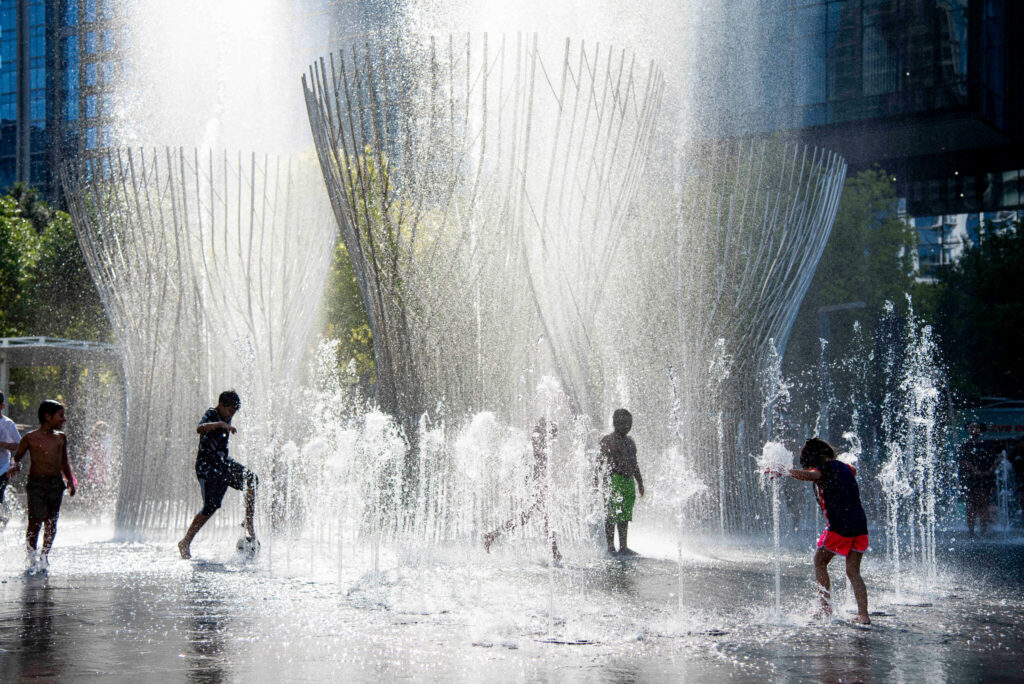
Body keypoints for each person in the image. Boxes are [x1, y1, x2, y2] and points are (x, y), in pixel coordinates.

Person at [772, 438, 870, 624]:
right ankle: (863, 615)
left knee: (819, 561)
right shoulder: (846, 467)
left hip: (841, 526)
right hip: (860, 526)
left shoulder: (823, 469)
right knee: (853, 571)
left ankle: (825, 609)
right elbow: (853, 471)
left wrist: (785, 471)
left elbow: (812, 475)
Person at [177, 390, 259, 559]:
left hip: (223, 463)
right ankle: (185, 542)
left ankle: (248, 520)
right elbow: (200, 428)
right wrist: (220, 425)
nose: (231, 415)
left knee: (251, 479)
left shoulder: (226, 414)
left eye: (234, 412)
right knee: (211, 506)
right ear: (221, 405)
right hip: (207, 467)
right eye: (230, 411)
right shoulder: (212, 413)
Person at [8, 400, 77, 570]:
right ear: (48, 416)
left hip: (55, 485)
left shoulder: (61, 438)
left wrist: (70, 480)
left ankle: (45, 555)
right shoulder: (30, 438)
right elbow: (16, 458)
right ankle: (31, 556)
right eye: (60, 415)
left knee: (52, 522)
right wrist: (15, 465)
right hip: (36, 484)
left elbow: (64, 462)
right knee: (35, 521)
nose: (64, 419)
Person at [482, 418, 561, 562]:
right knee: (544, 518)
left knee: (526, 518)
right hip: (536, 486)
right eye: (553, 432)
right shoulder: (537, 442)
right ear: (545, 429)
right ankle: (554, 551)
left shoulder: (539, 442)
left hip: (537, 485)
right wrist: (539, 485)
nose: (555, 436)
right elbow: (535, 466)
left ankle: (492, 535)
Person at [597, 408, 644, 555]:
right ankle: (611, 546)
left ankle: (623, 546)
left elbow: (634, 464)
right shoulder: (608, 440)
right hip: (613, 480)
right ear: (615, 423)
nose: (627, 426)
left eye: (629, 423)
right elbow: (599, 462)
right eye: (623, 423)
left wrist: (640, 482)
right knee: (612, 513)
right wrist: (595, 479)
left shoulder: (630, 442)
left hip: (628, 481)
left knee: (624, 515)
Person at [958, 421, 996, 538]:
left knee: (983, 504)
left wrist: (989, 471)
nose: (974, 429)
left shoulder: (986, 445)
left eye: (976, 427)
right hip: (970, 478)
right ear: (968, 430)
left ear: (980, 430)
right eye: (971, 427)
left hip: (984, 478)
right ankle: (971, 531)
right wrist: (974, 470)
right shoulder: (964, 445)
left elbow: (994, 460)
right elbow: (962, 461)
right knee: (970, 504)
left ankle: (983, 530)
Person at [0, 390, 22, 529]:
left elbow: (20, 445)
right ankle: (2, 519)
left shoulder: (8, 424)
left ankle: (3, 519)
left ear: (2, 406)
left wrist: (3, 445)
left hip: (3, 468)